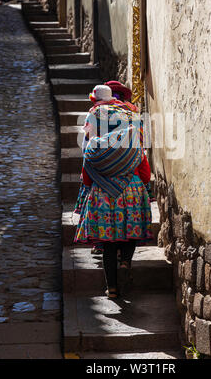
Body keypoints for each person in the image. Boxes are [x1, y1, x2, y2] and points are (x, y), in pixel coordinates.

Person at [74, 87, 153, 299]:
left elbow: (87, 176)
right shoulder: (132, 124)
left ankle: (112, 289)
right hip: (132, 189)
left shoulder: (94, 131)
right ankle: (126, 261)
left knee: (108, 244)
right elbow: (145, 174)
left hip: (103, 193)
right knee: (131, 232)